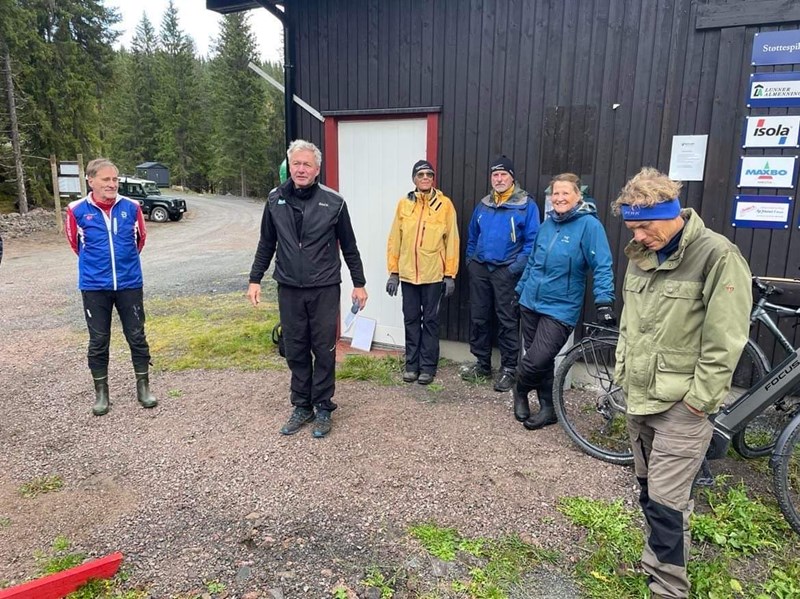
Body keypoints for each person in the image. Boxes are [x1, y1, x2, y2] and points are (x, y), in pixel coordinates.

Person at [612, 167, 752, 599]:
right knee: (649, 492)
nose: (638, 235)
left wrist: (699, 402)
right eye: (632, 226)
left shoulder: (716, 256)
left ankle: (669, 589)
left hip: (681, 406)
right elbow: (629, 324)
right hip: (640, 397)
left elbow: (725, 340)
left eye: (644, 225)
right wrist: (621, 371)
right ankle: (656, 561)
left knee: (668, 503)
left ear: (671, 213)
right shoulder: (641, 254)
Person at [248, 139, 368, 439]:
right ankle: (302, 405)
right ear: (289, 166)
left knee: (324, 350)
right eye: (296, 163)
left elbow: (349, 246)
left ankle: (324, 407)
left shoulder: (334, 202)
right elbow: (266, 243)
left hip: (324, 287)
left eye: (307, 165)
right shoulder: (275, 199)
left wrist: (360, 284)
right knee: (296, 348)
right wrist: (254, 278)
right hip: (289, 287)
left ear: (317, 169)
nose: (301, 169)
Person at [513, 174, 615, 429]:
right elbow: (534, 262)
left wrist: (604, 301)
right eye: (555, 194)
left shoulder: (589, 226)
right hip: (531, 302)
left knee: (537, 358)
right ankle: (548, 408)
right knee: (542, 360)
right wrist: (520, 290)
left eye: (565, 193)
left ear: (578, 196)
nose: (559, 198)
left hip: (560, 307)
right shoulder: (547, 225)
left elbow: (602, 265)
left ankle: (519, 388)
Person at [65, 158, 157, 416]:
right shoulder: (76, 210)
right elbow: (76, 245)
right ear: (90, 181)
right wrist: (99, 268)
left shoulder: (132, 207)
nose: (111, 184)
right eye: (105, 179)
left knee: (137, 336)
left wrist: (123, 265)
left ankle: (143, 387)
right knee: (98, 340)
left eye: (115, 179)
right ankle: (101, 393)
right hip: (94, 287)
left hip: (129, 283)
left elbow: (139, 240)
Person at [462, 155, 540, 392]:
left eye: (503, 174)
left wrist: (514, 268)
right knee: (479, 317)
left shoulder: (526, 205)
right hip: (481, 269)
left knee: (507, 320)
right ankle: (482, 363)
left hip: (507, 271)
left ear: (512, 177)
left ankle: (508, 369)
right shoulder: (484, 203)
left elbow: (532, 242)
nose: (498, 179)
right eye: (495, 175)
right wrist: (470, 260)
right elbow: (473, 235)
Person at [386, 160, 459, 385]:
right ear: (414, 179)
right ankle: (411, 365)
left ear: (433, 178)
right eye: (421, 174)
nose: (425, 177)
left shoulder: (445, 205)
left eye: (429, 174)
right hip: (408, 275)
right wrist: (393, 272)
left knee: (430, 321)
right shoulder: (403, 205)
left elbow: (452, 241)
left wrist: (450, 274)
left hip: (433, 275)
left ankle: (427, 367)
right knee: (410, 319)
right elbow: (394, 239)